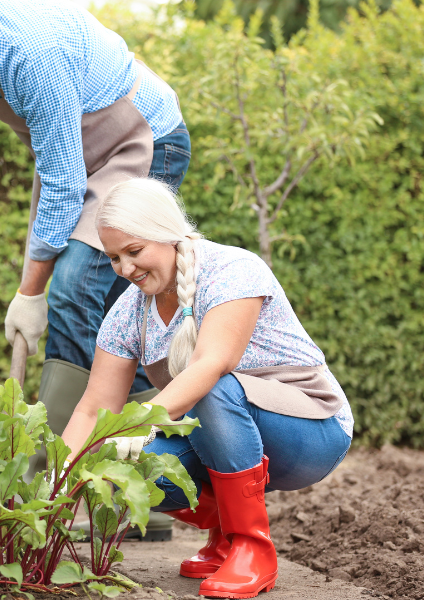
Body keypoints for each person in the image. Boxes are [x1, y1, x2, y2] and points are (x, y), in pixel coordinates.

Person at [0, 0, 191, 538]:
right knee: (109, 310)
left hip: (142, 141)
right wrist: (32, 279)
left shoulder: (30, 50)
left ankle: (56, 489)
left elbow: (65, 183)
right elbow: (54, 166)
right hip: (85, 154)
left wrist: (32, 292)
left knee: (75, 287)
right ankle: (143, 498)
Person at [60, 177, 354, 598]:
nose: (125, 269)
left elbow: (213, 365)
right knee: (124, 472)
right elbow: (92, 409)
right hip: (221, 433)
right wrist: (58, 479)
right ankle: (225, 537)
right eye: (114, 258)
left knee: (214, 388)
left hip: (311, 431)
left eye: (135, 251)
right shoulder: (129, 312)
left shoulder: (232, 269)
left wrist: (144, 421)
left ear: (167, 234)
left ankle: (254, 550)